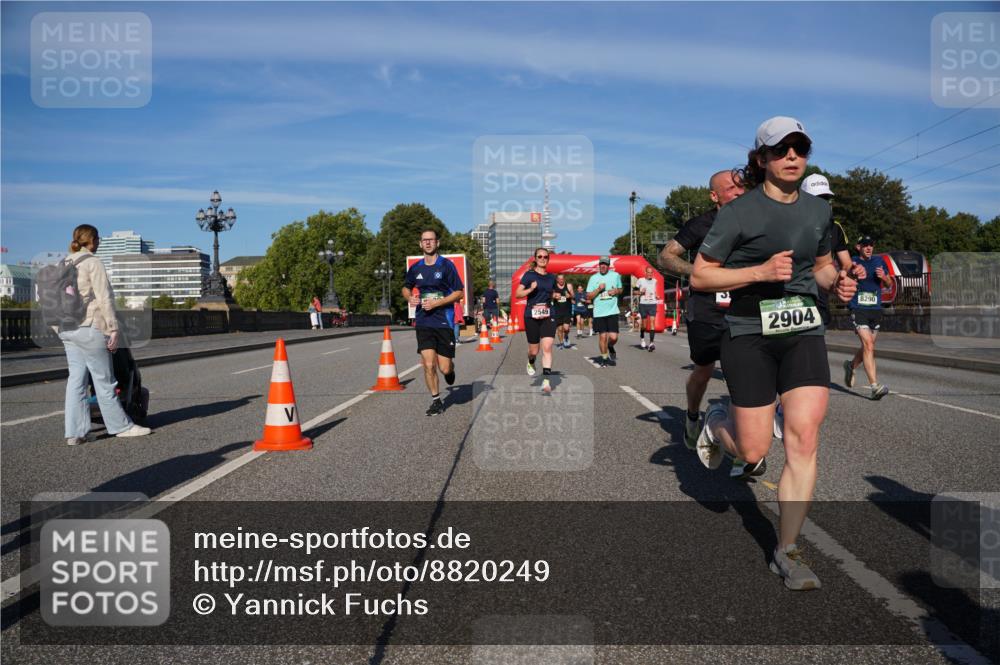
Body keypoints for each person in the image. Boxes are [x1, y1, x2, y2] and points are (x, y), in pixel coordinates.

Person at [690, 117, 857, 590]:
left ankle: (788, 549)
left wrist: (836, 284)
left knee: (804, 437)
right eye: (781, 149)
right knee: (753, 450)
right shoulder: (738, 212)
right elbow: (701, 275)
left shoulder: (818, 211)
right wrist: (760, 272)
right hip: (749, 332)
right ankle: (715, 423)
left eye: (800, 149)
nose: (792, 157)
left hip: (803, 328)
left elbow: (820, 267)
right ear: (761, 158)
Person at [660, 169, 760, 477]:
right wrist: (700, 273)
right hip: (706, 309)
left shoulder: (756, 221)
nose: (739, 192)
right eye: (731, 188)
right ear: (714, 196)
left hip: (743, 309)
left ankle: (742, 447)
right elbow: (666, 256)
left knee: (739, 375)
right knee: (703, 371)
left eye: (742, 187)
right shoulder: (701, 224)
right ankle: (693, 415)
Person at [57, 225, 152, 444]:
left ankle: (75, 433)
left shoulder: (63, 263)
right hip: (90, 327)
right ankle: (121, 426)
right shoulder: (93, 262)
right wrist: (113, 329)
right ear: (92, 240)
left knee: (76, 381)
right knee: (104, 380)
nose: (99, 242)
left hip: (67, 329)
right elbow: (104, 298)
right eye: (97, 238)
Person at [402, 229, 465, 416]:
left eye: (431, 240)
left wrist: (437, 303)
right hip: (423, 321)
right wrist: (409, 297)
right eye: (425, 240)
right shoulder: (416, 268)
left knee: (444, 367)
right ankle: (436, 401)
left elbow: (459, 292)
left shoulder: (446, 265)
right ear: (420, 244)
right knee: (428, 365)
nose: (428, 243)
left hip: (443, 320)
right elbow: (406, 287)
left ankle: (450, 371)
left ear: (437, 243)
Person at [799, 174, 858, 325]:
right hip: (787, 296)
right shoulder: (786, 222)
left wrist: (849, 274)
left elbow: (842, 264)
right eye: (816, 199)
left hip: (820, 292)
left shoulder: (834, 227)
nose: (821, 204)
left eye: (825, 198)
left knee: (819, 331)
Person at [843, 236, 892, 400]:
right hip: (858, 308)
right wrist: (853, 274)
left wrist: (884, 278)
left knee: (868, 346)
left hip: (875, 309)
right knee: (868, 344)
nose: (869, 248)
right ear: (858, 247)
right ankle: (875, 387)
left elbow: (889, 284)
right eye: (865, 245)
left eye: (871, 245)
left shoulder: (879, 261)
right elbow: (844, 277)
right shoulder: (853, 262)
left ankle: (851, 366)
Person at [515, 248, 557, 393]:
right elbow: (518, 294)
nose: (542, 259)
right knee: (534, 350)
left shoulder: (552, 277)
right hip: (531, 315)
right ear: (535, 258)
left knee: (547, 347)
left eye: (545, 257)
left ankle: (546, 381)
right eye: (540, 256)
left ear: (548, 259)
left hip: (548, 314)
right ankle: (531, 360)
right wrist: (530, 289)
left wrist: (555, 296)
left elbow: (552, 293)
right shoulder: (529, 275)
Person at [586, 256, 623, 367]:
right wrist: (598, 289)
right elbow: (588, 296)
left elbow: (621, 289)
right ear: (599, 265)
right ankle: (604, 358)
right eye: (601, 264)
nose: (603, 266)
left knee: (613, 337)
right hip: (599, 312)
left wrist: (616, 291)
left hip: (612, 311)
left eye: (605, 264)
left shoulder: (615, 275)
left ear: (608, 266)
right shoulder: (593, 278)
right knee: (602, 337)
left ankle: (610, 346)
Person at [635, 266, 660, 351]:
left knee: (652, 322)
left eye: (651, 272)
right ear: (645, 272)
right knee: (644, 325)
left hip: (652, 304)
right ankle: (642, 338)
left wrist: (656, 296)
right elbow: (634, 291)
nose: (650, 274)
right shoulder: (640, 280)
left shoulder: (655, 281)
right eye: (648, 272)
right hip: (643, 304)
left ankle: (651, 343)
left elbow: (654, 291)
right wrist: (640, 292)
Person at [551, 274, 574, 349]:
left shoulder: (569, 286)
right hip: (557, 311)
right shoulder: (554, 286)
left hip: (567, 310)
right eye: (559, 279)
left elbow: (573, 295)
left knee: (566, 328)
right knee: (560, 329)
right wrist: (554, 296)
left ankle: (566, 336)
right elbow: (550, 295)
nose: (561, 280)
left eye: (562, 279)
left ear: (564, 279)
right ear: (557, 280)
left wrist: (570, 296)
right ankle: (561, 343)